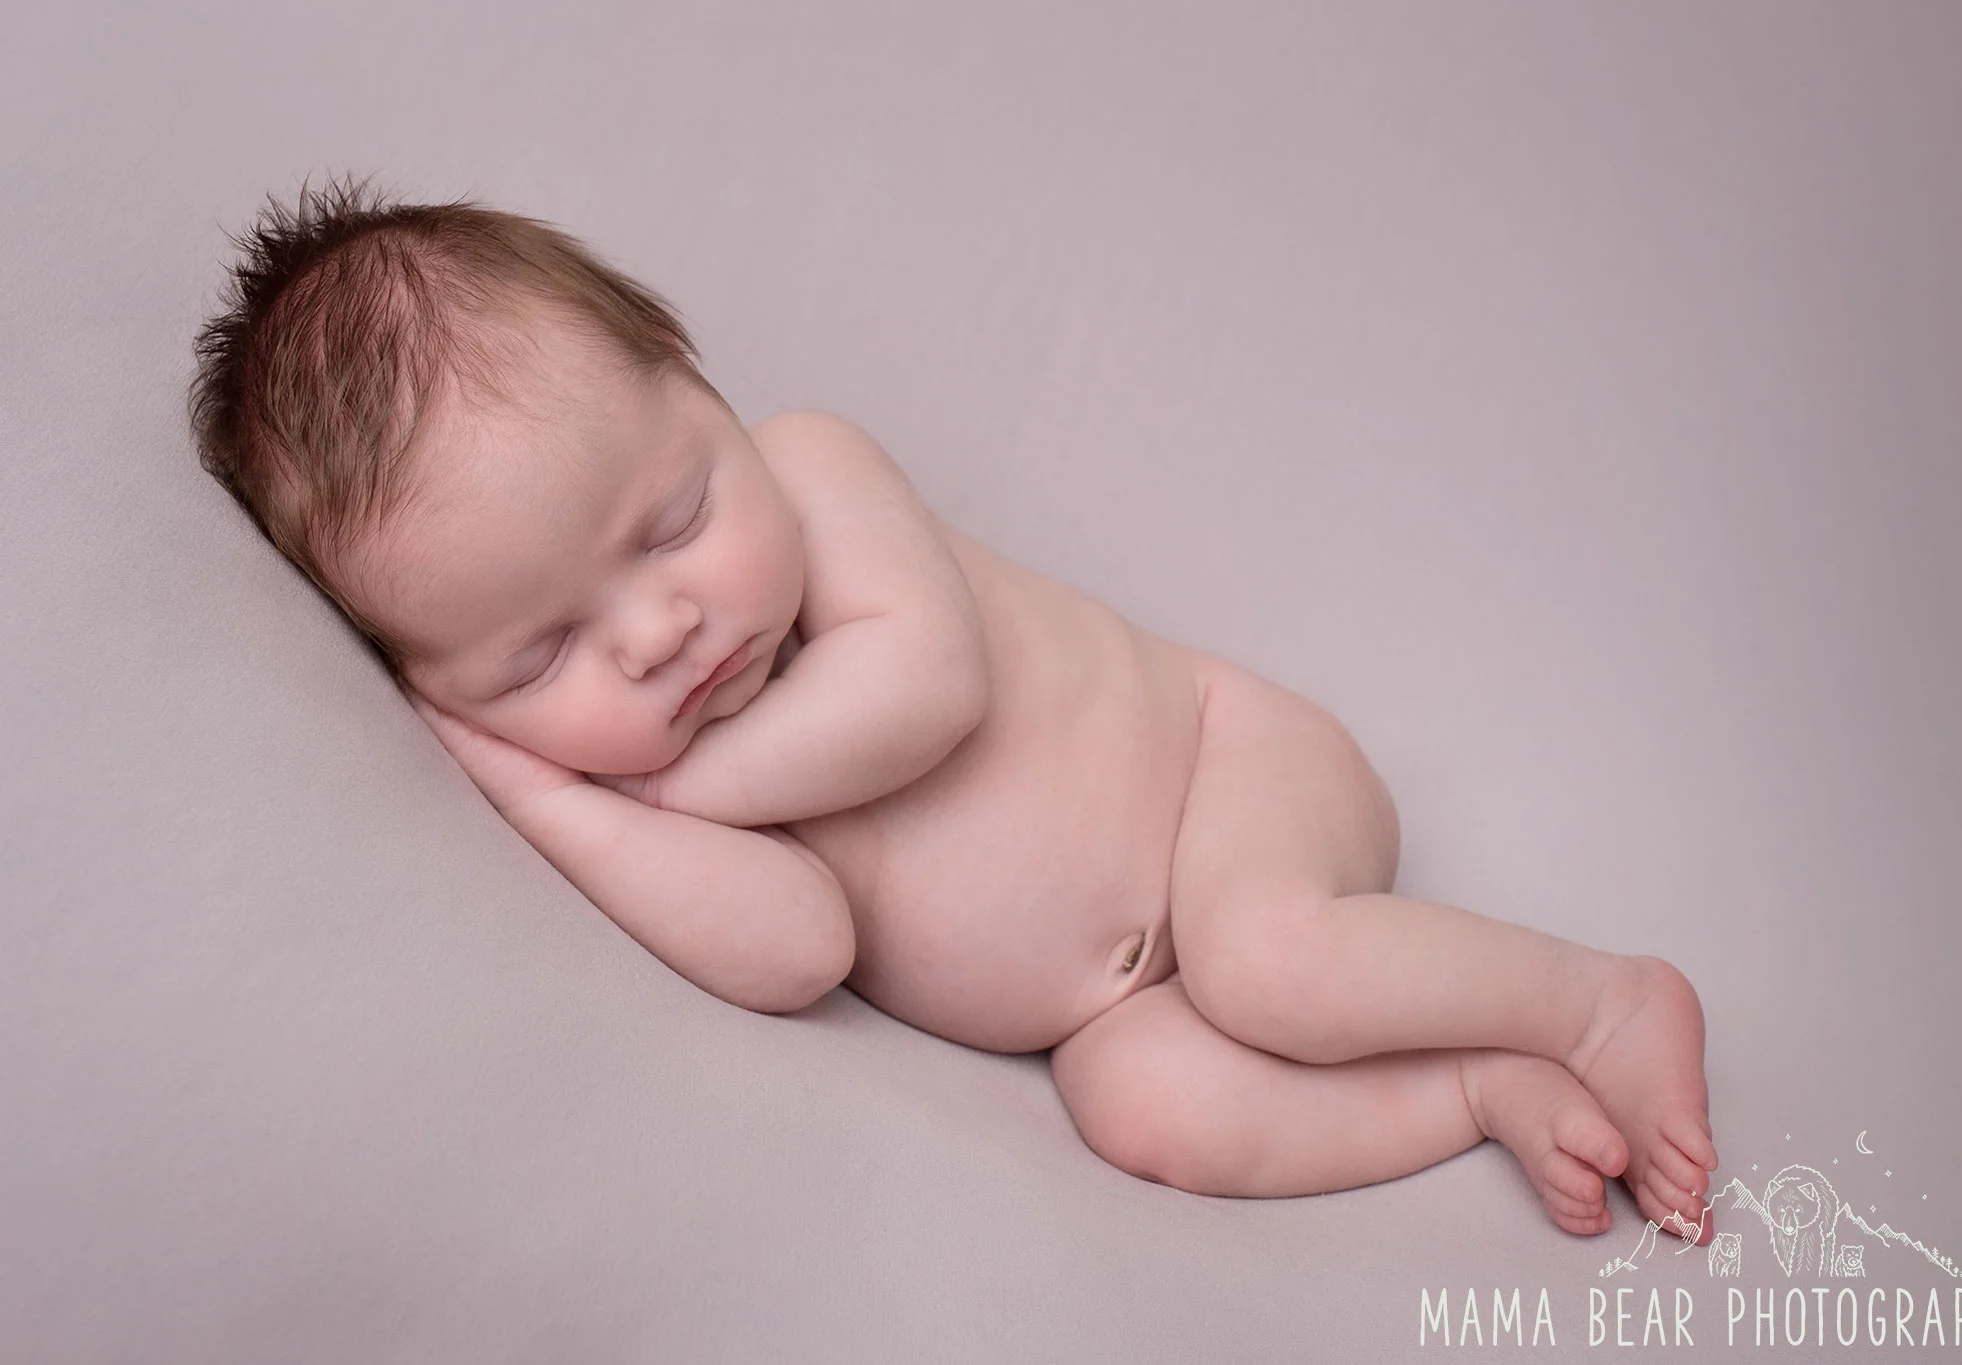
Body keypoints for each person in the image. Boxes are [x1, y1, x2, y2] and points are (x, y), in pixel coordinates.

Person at [189, 176, 1716, 1240]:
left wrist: (657, 785)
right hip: (1115, 1010)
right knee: (1144, 1114)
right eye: (538, 662)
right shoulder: (625, 785)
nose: (660, 635)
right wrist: (555, 804)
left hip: (1225, 767)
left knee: (1268, 951)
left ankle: (1602, 1002)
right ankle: (1466, 1084)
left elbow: (928, 688)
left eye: (670, 523)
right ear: (441, 699)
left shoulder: (813, 469)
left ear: (700, 394)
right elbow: (797, 949)